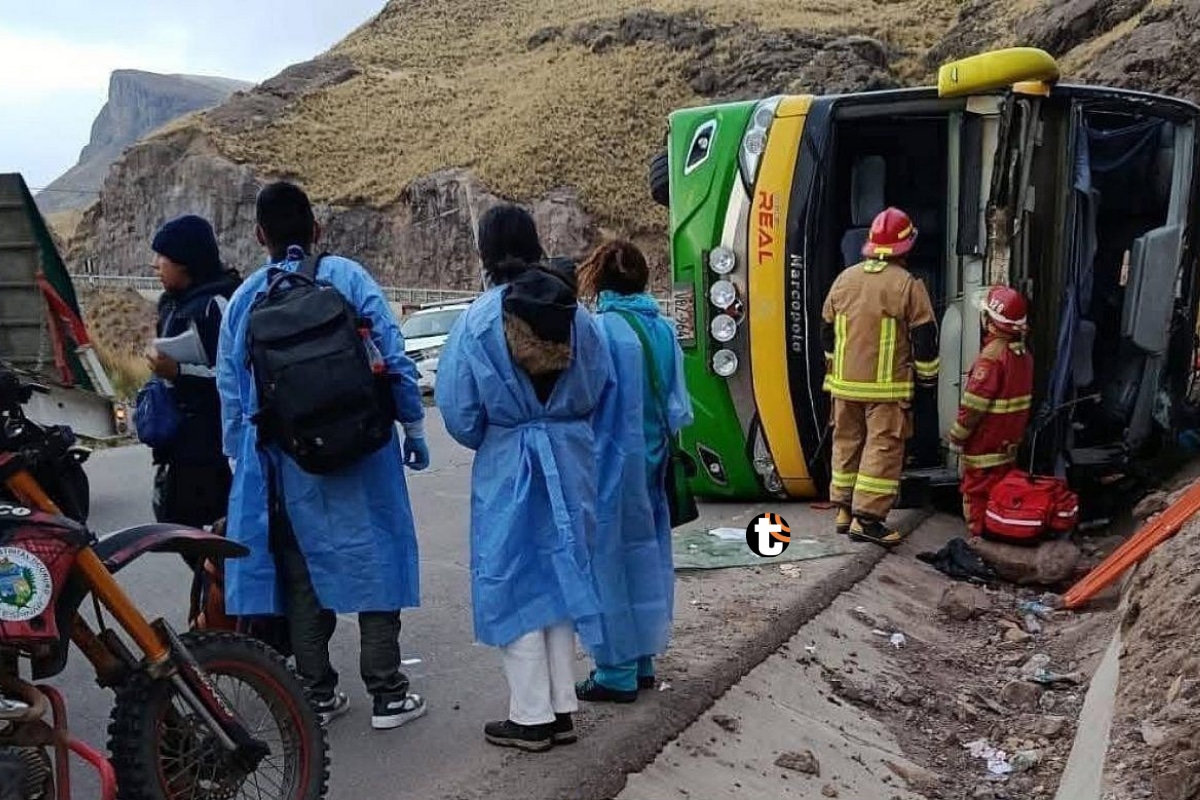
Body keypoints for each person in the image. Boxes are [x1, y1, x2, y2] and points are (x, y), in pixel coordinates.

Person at [217, 181, 430, 731]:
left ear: (260, 234)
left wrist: (243, 464)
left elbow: (233, 394)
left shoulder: (246, 300)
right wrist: (413, 426)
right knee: (378, 558)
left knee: (303, 574)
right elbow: (394, 357)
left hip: (290, 462)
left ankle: (317, 694)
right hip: (366, 449)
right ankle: (388, 693)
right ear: (316, 229)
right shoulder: (350, 277)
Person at [436, 204, 612, 752]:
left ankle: (530, 715)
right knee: (562, 578)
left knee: (511, 582)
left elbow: (460, 411)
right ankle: (561, 707)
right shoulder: (579, 316)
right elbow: (600, 383)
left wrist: (506, 429)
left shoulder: (478, 319)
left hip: (511, 462)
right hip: (571, 456)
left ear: (486, 254)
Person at [572, 240, 692, 703]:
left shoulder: (599, 330)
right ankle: (644, 657)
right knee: (647, 555)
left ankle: (615, 669)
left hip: (607, 465)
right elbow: (680, 408)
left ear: (599, 282)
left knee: (607, 562)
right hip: (653, 463)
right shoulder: (661, 330)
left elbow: (581, 398)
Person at [820, 206, 940, 547]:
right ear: (906, 246)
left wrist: (835, 365)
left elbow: (826, 330)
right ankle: (868, 520)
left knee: (846, 444)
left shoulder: (845, 279)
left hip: (843, 387)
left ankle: (843, 510)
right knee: (882, 448)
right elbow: (925, 340)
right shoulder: (907, 285)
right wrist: (927, 382)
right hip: (886, 390)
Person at [146, 214, 241, 529]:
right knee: (179, 527)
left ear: (185, 262)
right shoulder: (170, 303)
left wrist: (178, 371)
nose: (155, 264)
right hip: (181, 444)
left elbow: (236, 378)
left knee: (219, 533)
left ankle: (223, 579)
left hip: (215, 444)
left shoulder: (219, 304)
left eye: (163, 256)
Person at [948, 286, 1034, 536]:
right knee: (999, 500)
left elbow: (973, 407)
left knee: (976, 500)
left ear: (992, 322)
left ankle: (979, 548)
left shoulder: (991, 358)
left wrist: (956, 437)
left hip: (983, 450)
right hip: (1006, 449)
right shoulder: (1023, 355)